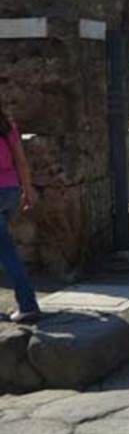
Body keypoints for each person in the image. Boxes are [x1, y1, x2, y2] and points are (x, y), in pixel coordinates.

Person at [0, 97, 41, 324]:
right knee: (4, 246)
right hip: (10, 191)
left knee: (6, 250)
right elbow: (21, 162)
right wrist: (28, 190)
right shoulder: (7, 125)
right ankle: (27, 304)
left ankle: (28, 305)